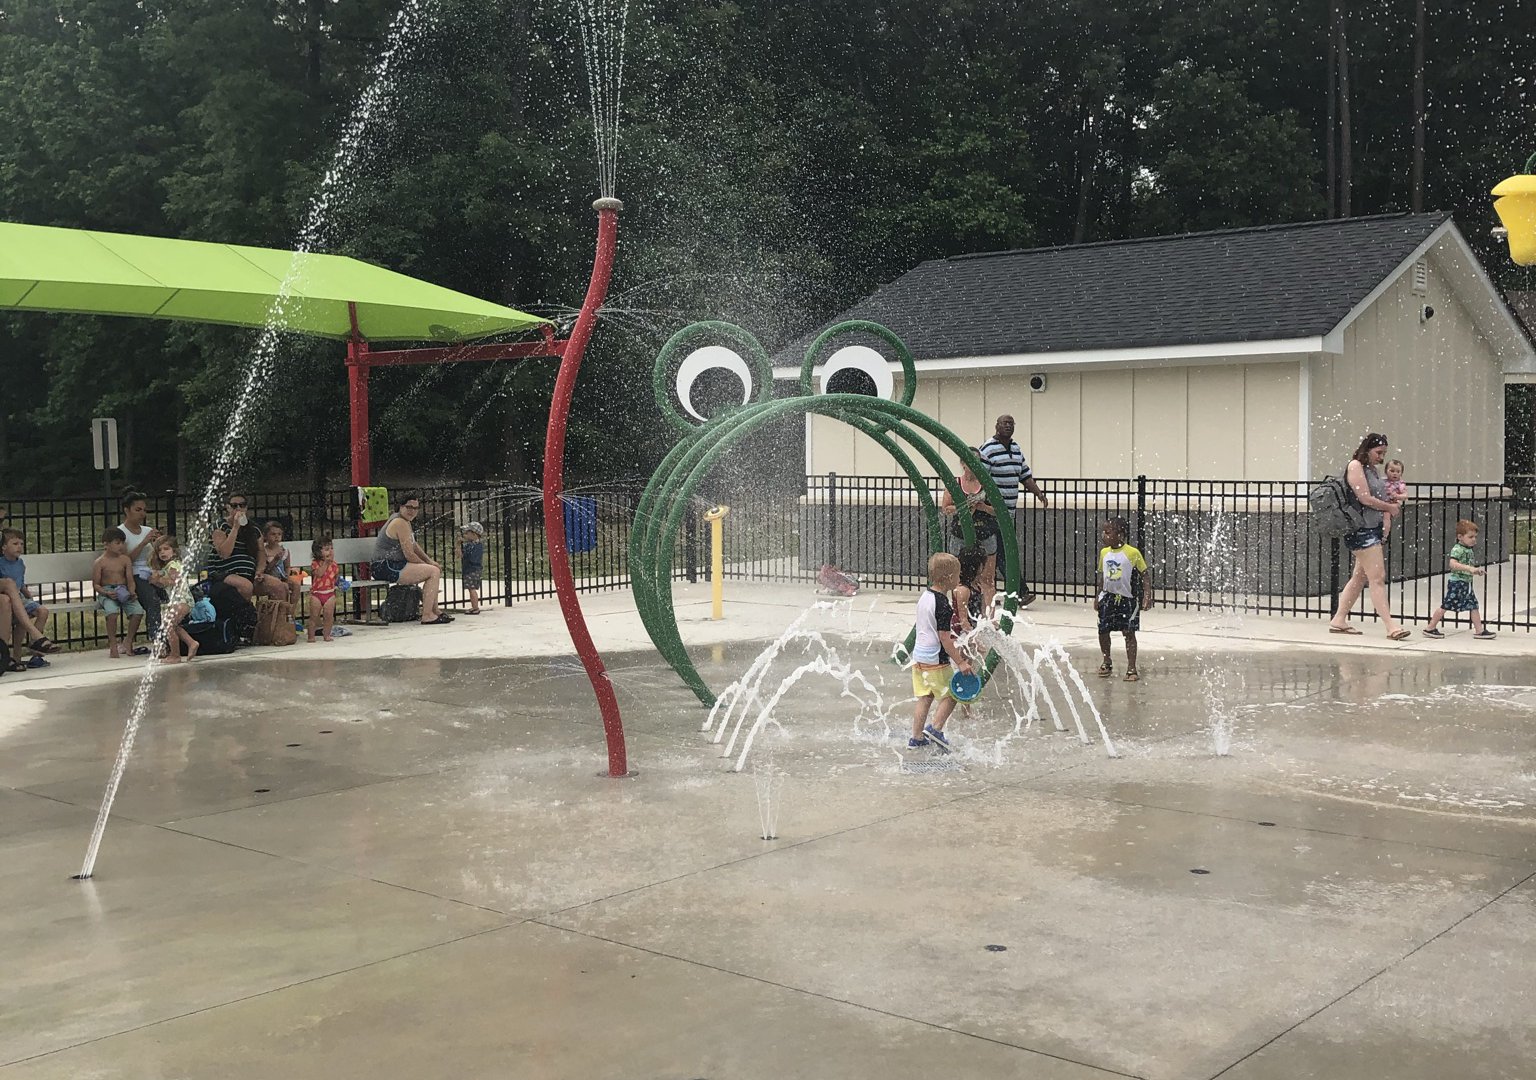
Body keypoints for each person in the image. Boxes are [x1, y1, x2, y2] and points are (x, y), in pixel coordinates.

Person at [1328, 433, 1410, 640]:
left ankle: (1338, 620)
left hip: (1372, 527)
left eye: (1384, 453)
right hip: (1360, 529)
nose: (1382, 457)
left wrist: (1387, 513)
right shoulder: (1355, 466)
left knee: (1360, 576)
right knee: (1377, 577)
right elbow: (1364, 497)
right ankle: (1391, 626)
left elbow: (1377, 496)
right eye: (1378, 452)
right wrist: (1389, 508)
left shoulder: (1372, 469)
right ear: (1367, 449)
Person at [977, 415, 1048, 607]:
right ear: (996, 426)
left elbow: (1025, 476)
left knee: (1001, 553)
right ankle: (1019, 592)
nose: (1007, 426)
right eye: (1004, 423)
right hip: (992, 511)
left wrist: (1039, 494)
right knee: (1002, 553)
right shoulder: (988, 449)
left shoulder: (1016, 449)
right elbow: (980, 477)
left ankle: (1005, 591)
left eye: (1011, 424)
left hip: (1009, 512)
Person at [908, 552, 973, 750]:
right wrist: (960, 662)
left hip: (919, 657)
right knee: (953, 694)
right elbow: (944, 637)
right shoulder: (943, 604)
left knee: (925, 697)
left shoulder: (925, 597)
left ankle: (917, 738)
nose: (959, 578)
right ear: (948, 578)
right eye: (957, 575)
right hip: (935, 658)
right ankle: (936, 729)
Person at [370, 493, 451, 625]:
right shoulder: (399, 522)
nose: (412, 511)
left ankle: (435, 611)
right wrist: (427, 565)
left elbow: (413, 545)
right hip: (385, 566)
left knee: (433, 569)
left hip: (392, 565)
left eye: (415, 508)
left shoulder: (404, 521)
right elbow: (409, 554)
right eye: (409, 507)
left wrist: (429, 561)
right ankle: (427, 615)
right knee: (433, 572)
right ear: (400, 507)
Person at [1094, 516, 1153, 682]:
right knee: (1103, 630)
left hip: (1127, 599)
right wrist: (1097, 596)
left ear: (1120, 535)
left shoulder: (1132, 553)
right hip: (1107, 597)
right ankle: (1107, 660)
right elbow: (1102, 576)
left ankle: (1131, 668)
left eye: (1108, 532)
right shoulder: (1104, 553)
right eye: (1103, 532)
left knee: (1128, 632)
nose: (1104, 535)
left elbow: (1145, 575)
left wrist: (1146, 596)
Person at [940, 459, 1001, 613]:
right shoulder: (955, 483)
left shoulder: (987, 483)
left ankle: (989, 617)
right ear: (962, 463)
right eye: (969, 460)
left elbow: (998, 509)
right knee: (957, 578)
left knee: (987, 579)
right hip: (960, 535)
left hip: (985, 534)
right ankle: (959, 615)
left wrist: (983, 507)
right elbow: (946, 508)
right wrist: (963, 507)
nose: (973, 464)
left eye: (976, 461)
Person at [1423, 520, 1497, 640]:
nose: (1474, 539)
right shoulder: (1458, 549)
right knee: (1446, 605)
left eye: (1475, 537)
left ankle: (1479, 630)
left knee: (1473, 605)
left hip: (1465, 583)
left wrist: (1476, 570)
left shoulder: (1468, 549)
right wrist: (1469, 569)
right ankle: (1430, 627)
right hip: (1458, 583)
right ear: (1460, 537)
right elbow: (1452, 564)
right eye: (1470, 537)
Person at [0, 528, 60, 664]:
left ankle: (35, 645)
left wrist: (27, 594)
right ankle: (17, 655)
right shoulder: (1, 563)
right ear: (4, 547)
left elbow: (20, 583)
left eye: (21, 544)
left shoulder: (20, 563)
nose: (19, 547)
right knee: (23, 618)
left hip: (20, 598)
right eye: (15, 544)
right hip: (9, 598)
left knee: (42, 611)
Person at [117, 490, 162, 652]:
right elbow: (124, 561)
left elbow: (157, 559)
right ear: (126, 510)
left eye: (144, 510)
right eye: (138, 510)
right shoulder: (120, 533)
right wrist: (143, 543)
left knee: (178, 595)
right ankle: (157, 640)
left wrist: (158, 545)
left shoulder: (147, 530)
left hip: (153, 573)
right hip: (133, 575)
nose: (142, 513)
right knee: (153, 601)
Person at [93, 527, 144, 659]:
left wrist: (131, 591)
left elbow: (130, 580)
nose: (121, 546)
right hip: (107, 592)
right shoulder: (100, 562)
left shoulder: (125, 560)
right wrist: (106, 593)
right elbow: (96, 585)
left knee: (138, 611)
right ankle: (113, 644)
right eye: (117, 543)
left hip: (123, 590)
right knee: (112, 613)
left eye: (122, 543)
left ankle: (128, 640)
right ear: (106, 544)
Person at [149, 535, 200, 662]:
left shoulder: (173, 564)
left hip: (182, 599)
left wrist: (159, 579)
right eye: (160, 550)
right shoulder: (168, 566)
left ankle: (175, 655)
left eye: (166, 549)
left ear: (174, 551)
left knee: (168, 626)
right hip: (179, 600)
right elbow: (164, 584)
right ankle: (191, 643)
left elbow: (174, 581)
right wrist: (156, 581)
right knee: (174, 625)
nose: (162, 552)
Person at [208, 494, 264, 599]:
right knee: (246, 587)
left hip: (250, 574)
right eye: (234, 506)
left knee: (279, 587)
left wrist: (259, 571)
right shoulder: (219, 526)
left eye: (242, 505)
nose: (238, 508)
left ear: (246, 508)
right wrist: (235, 528)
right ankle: (246, 614)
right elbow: (224, 553)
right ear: (228, 508)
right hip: (224, 574)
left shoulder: (254, 528)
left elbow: (261, 552)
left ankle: (281, 616)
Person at [258, 520, 302, 604]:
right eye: (273, 534)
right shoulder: (264, 551)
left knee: (296, 584)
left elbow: (287, 566)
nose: (276, 537)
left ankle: (291, 611)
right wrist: (275, 560)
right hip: (270, 578)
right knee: (283, 586)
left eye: (279, 534)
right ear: (265, 536)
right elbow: (265, 569)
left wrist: (287, 575)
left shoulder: (284, 551)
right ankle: (280, 610)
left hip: (282, 577)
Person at [308, 535, 340, 643]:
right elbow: (320, 574)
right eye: (326, 549)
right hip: (317, 593)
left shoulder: (335, 565)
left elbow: (335, 578)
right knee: (314, 616)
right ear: (318, 552)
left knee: (329, 616)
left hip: (330, 593)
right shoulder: (315, 564)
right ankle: (311, 636)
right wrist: (326, 563)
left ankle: (327, 635)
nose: (330, 551)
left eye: (331, 548)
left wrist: (340, 583)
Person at [458, 522, 485, 614]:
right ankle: (474, 607)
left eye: (466, 533)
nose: (465, 535)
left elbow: (465, 556)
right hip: (473, 570)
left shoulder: (474, 546)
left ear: (473, 534)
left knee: (472, 589)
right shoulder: (474, 545)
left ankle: (475, 608)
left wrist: (459, 546)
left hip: (472, 570)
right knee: (471, 589)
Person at [1382, 459, 1406, 539]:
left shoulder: (1400, 484)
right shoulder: (1382, 481)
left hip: (1392, 503)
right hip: (1382, 502)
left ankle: (1385, 535)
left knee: (1386, 515)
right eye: (1392, 471)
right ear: (1386, 471)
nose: (1395, 473)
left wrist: (1398, 496)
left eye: (1398, 471)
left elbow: (1405, 495)